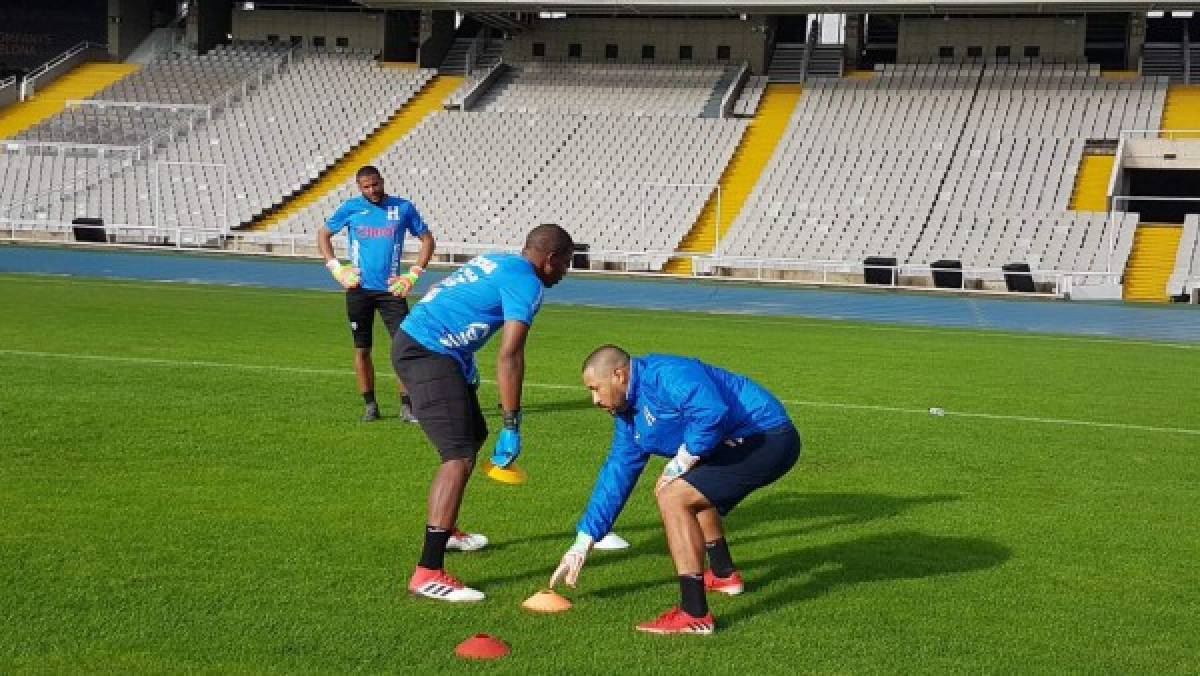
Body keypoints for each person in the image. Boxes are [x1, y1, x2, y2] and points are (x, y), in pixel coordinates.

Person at [549, 345, 802, 634]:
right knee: (690, 485)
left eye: (595, 388)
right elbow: (617, 475)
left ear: (618, 375)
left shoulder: (665, 374)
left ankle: (695, 614)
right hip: (740, 441)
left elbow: (711, 411)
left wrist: (680, 462)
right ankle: (724, 575)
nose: (593, 399)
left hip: (767, 436)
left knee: (673, 495)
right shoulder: (629, 417)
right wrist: (583, 542)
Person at [393, 223, 575, 602]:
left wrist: (461, 355)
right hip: (427, 351)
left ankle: (449, 528)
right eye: (566, 264)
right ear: (550, 258)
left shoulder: (499, 261)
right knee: (457, 456)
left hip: (428, 343)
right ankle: (427, 572)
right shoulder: (528, 284)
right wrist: (512, 422)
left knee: (472, 437)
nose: (565, 273)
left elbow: (451, 296)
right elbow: (510, 356)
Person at [317, 165, 435, 423]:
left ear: (382, 181)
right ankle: (370, 406)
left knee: (403, 348)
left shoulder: (402, 208)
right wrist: (336, 268)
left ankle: (407, 407)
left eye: (376, 185)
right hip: (358, 289)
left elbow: (427, 239)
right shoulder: (350, 208)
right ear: (359, 188)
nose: (372, 190)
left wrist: (413, 274)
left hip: (393, 290)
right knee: (362, 349)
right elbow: (324, 234)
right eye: (366, 187)